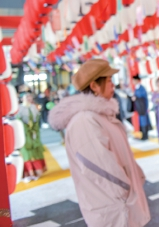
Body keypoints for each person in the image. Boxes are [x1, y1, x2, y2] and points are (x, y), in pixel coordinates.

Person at [48, 59, 151, 227]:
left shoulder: (99, 115)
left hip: (121, 206)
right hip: (114, 210)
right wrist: (125, 191)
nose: (113, 85)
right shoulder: (85, 120)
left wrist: (136, 179)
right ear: (94, 86)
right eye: (109, 80)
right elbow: (100, 167)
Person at [16, 92, 46, 182]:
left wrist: (34, 129)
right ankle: (28, 173)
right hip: (24, 134)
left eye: (30, 97)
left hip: (34, 133)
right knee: (26, 153)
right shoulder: (19, 108)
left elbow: (37, 120)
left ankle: (36, 172)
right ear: (22, 98)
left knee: (35, 151)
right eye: (27, 97)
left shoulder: (33, 107)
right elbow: (18, 121)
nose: (29, 98)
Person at [132, 75, 151, 141]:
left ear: (137, 80)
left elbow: (143, 98)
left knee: (144, 121)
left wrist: (136, 98)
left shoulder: (142, 88)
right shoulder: (136, 88)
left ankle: (145, 135)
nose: (133, 82)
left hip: (143, 108)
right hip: (139, 108)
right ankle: (143, 135)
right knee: (141, 121)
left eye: (133, 80)